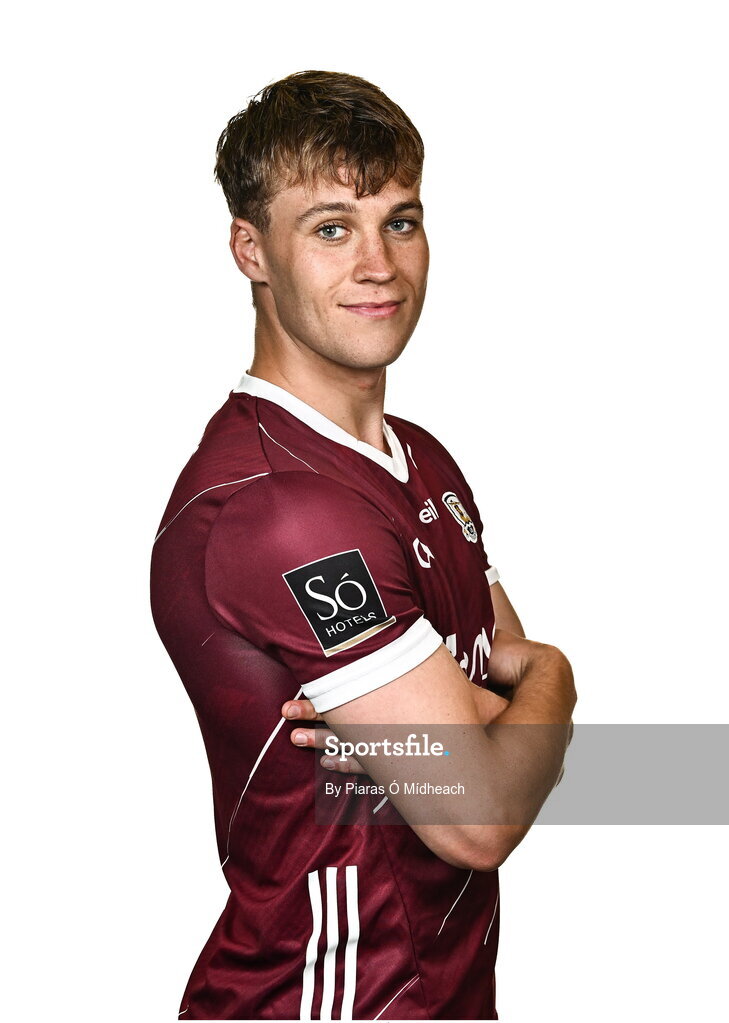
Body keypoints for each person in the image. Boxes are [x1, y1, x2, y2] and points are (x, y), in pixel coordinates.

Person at [150, 69, 576, 1021]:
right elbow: (479, 812)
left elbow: (512, 741)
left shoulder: (421, 462)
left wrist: (496, 724)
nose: (379, 262)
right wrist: (552, 675)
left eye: (402, 220)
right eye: (332, 227)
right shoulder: (283, 509)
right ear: (251, 251)